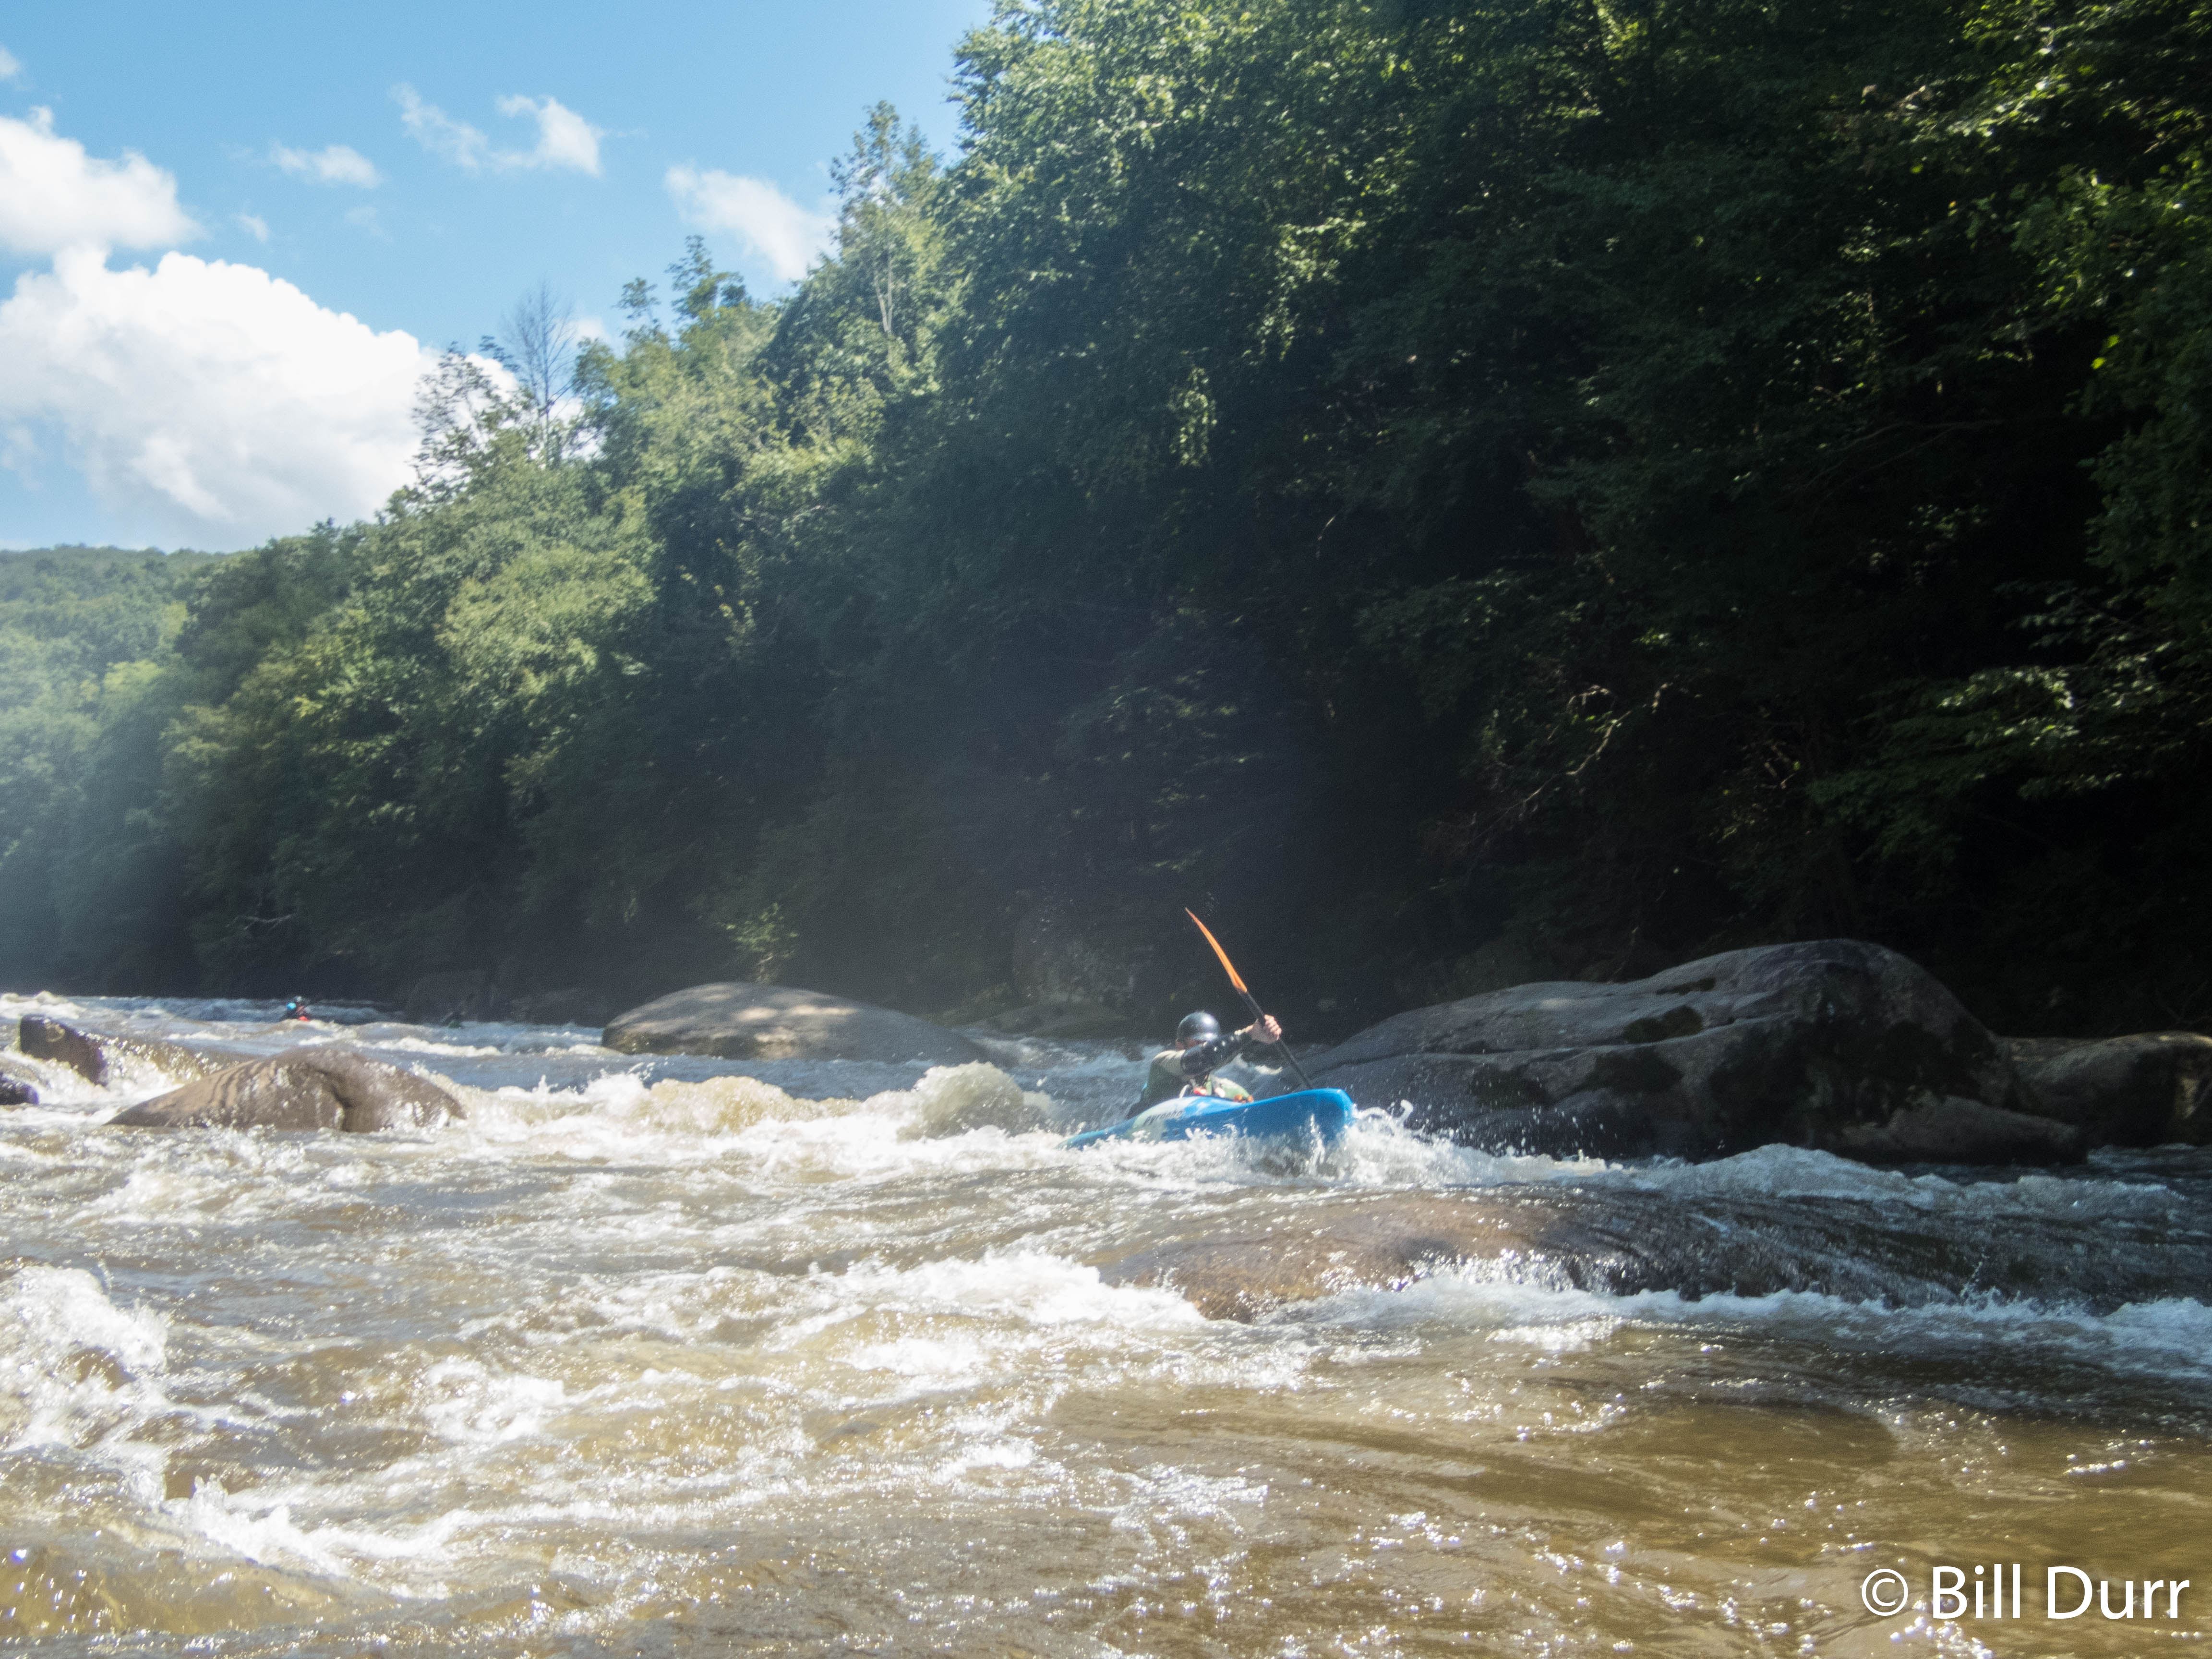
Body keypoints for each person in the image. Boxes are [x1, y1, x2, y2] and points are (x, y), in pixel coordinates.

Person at [1136, 1009, 1285, 1110]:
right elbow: (1204, 1057)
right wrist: (1251, 1033)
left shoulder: (1228, 1090)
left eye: (1208, 1043)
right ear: (1179, 1045)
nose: (1203, 1046)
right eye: (1197, 1043)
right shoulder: (1162, 1064)